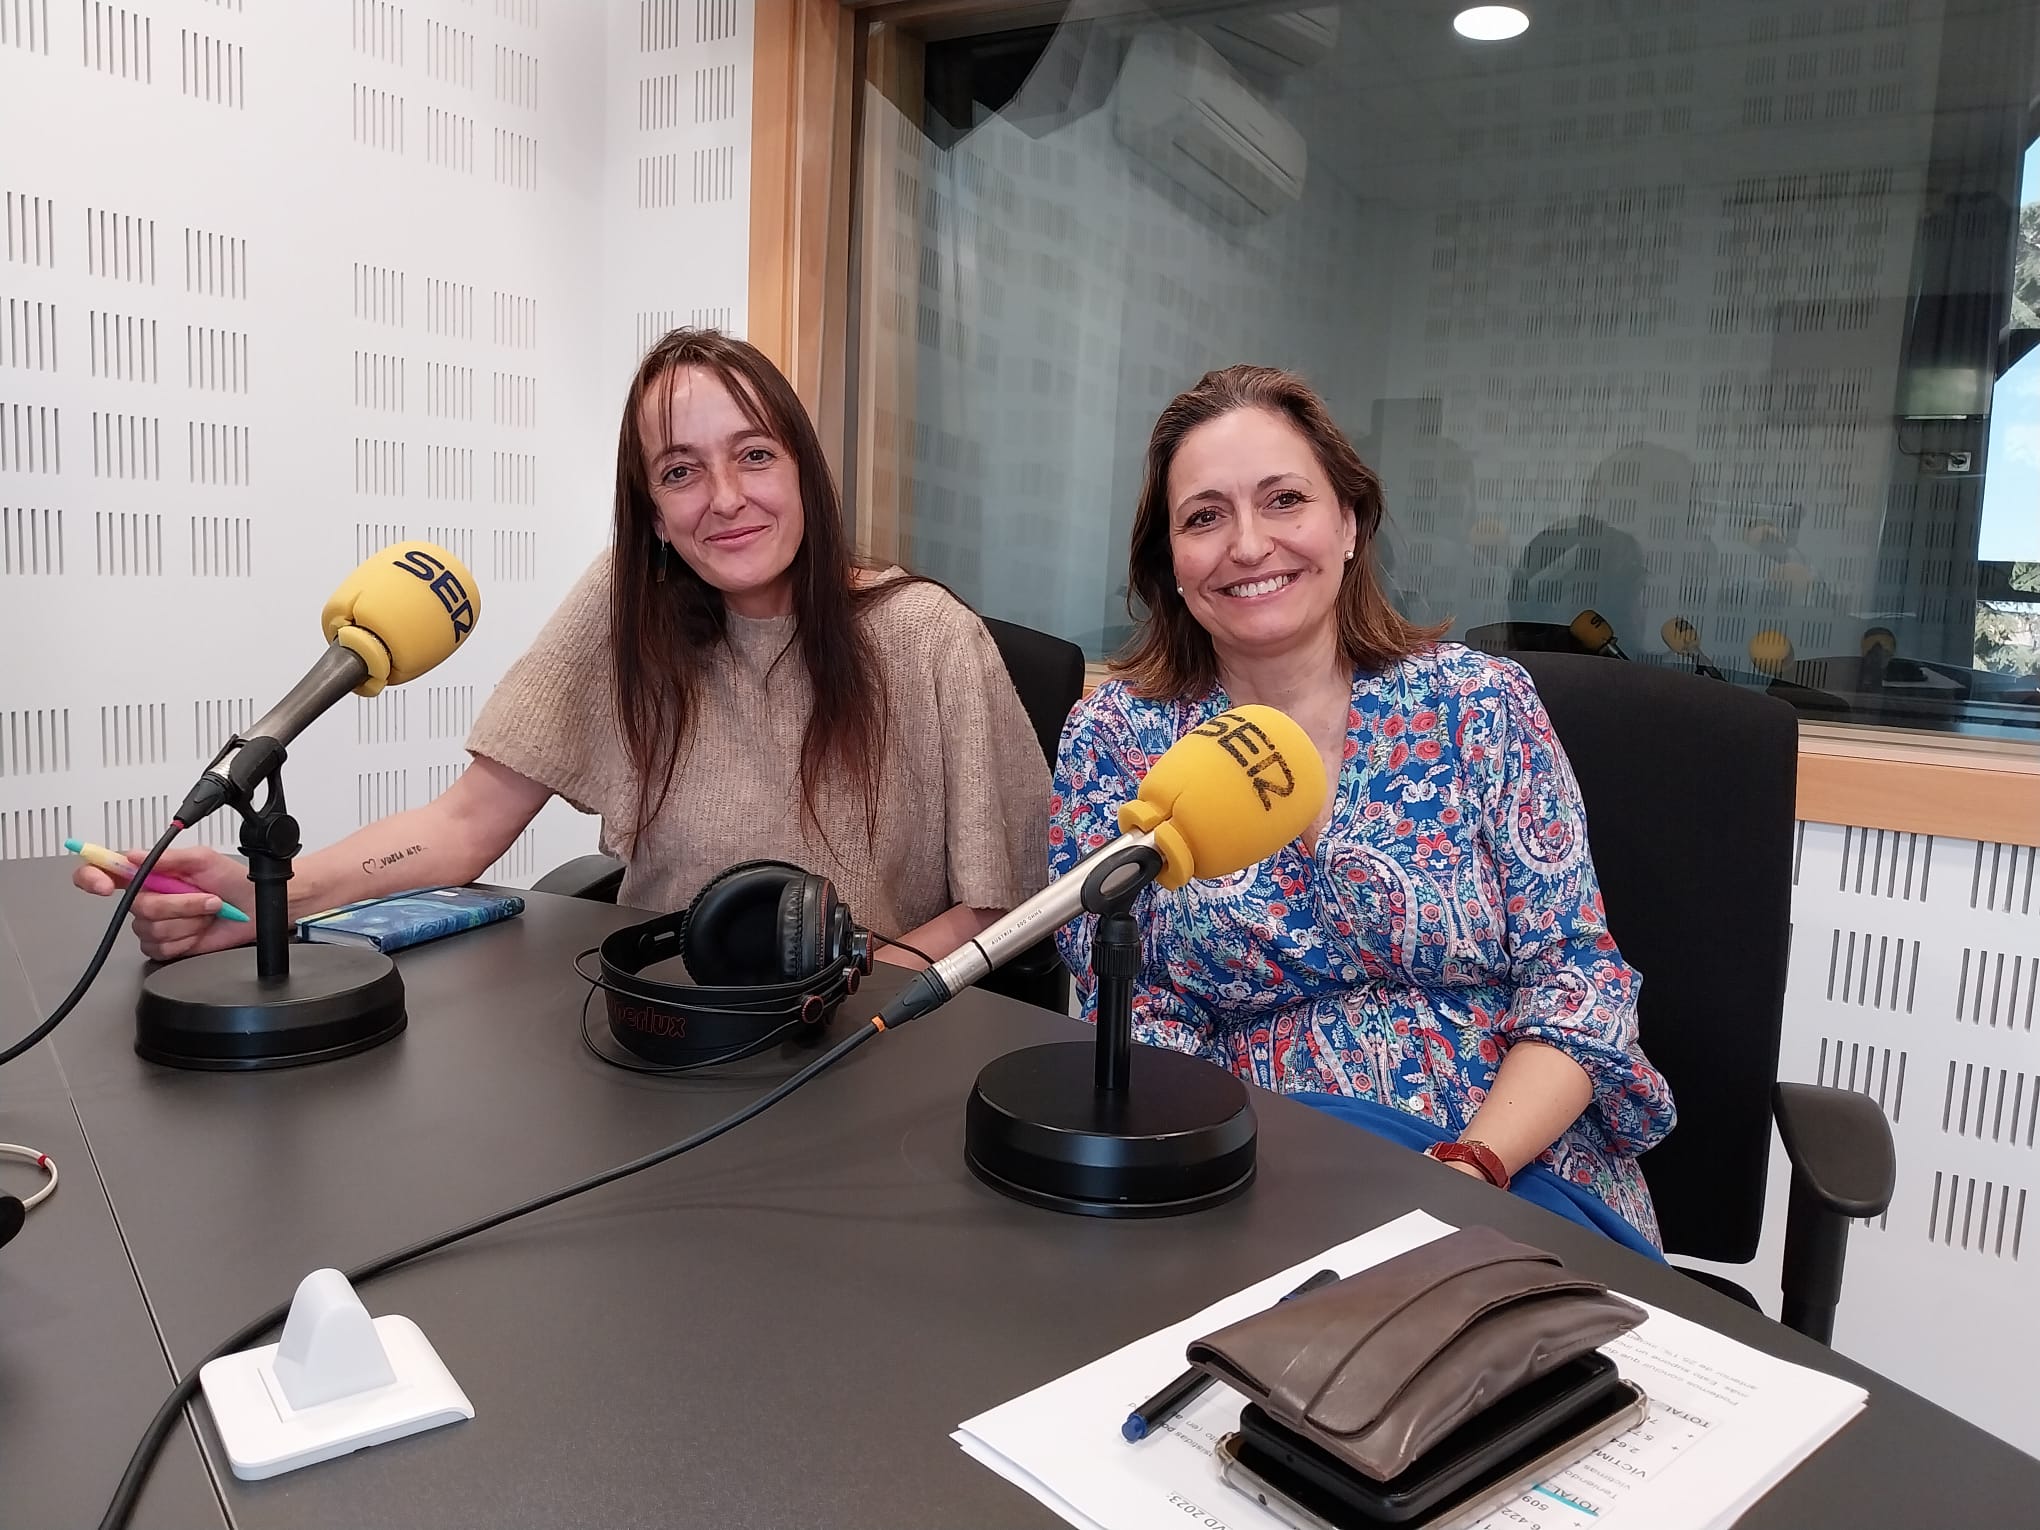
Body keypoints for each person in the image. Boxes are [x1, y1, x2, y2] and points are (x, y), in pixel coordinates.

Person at [81, 329, 1051, 969]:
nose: (723, 497)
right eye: (681, 472)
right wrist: (270, 895)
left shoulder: (928, 637)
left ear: (806, 471)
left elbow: (993, 913)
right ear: (654, 516)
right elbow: (468, 824)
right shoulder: (629, 605)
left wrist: (843, 1008)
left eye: (754, 455)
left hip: (857, 1045)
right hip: (658, 1027)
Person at [1050, 365, 1675, 1247]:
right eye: (1204, 517)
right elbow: (1138, 1015)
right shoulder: (1114, 737)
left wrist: (1474, 1167)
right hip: (1260, 1183)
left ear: (1347, 523)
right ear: (1170, 564)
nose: (1249, 544)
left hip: (1512, 1173)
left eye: (1284, 500)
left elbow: (1578, 980)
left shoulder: (1478, 704)